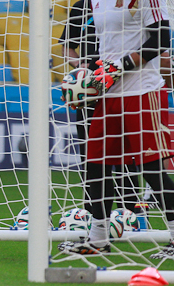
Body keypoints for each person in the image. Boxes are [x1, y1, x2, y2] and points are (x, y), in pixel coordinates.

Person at [58, 0, 174, 260]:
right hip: (108, 94)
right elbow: (105, 49)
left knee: (151, 169)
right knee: (96, 165)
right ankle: (98, 238)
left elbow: (161, 40)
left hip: (143, 91)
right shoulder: (93, 1)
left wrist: (120, 66)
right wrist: (84, 78)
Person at [59, 0, 143, 215]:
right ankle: (94, 216)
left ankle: (131, 214)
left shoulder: (130, 4)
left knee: (128, 155)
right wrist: (80, 69)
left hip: (125, 84)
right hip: (91, 90)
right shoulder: (81, 6)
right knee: (91, 157)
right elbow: (67, 46)